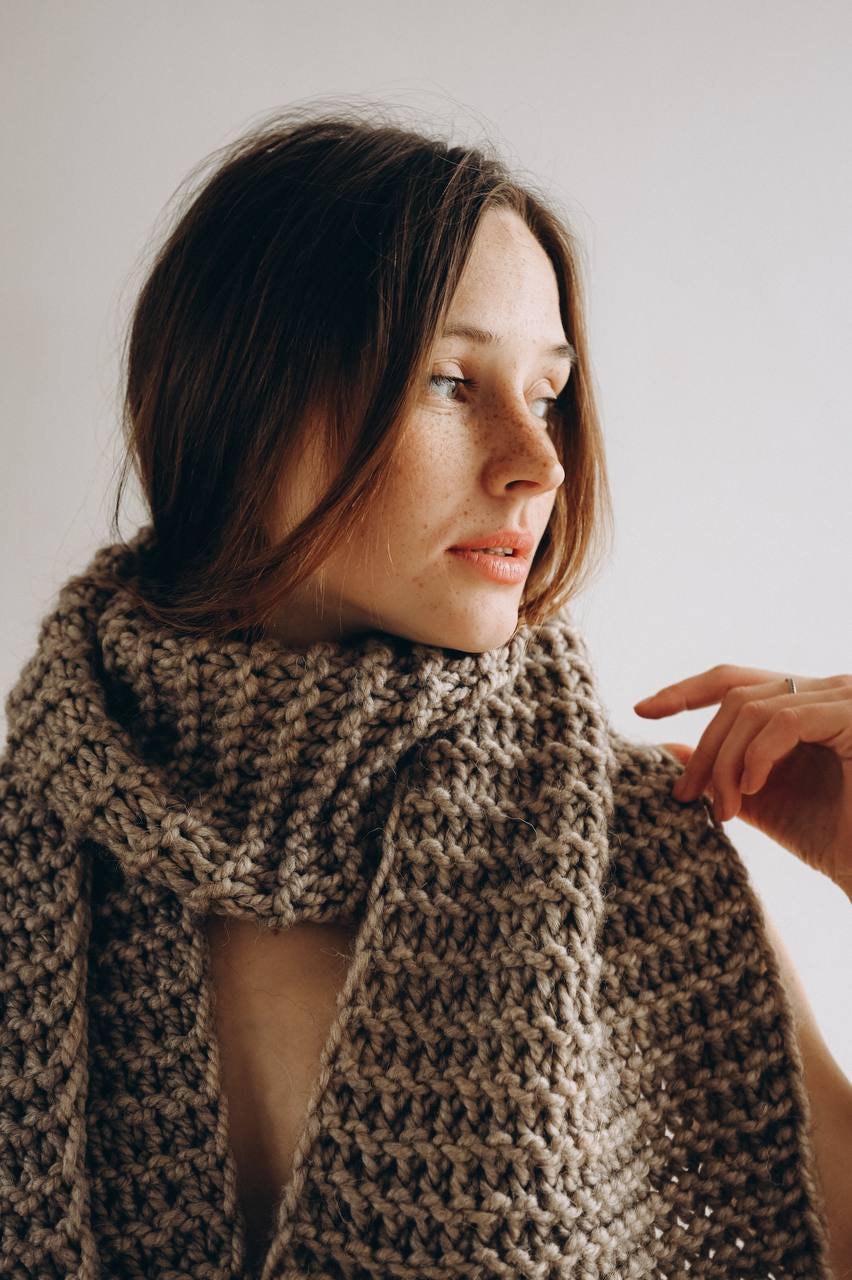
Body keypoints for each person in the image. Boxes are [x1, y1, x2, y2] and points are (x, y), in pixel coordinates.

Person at [1, 104, 850, 1279]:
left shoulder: (635, 854)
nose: (539, 463)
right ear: (243, 398)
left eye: (547, 394)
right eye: (451, 381)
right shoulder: (27, 869)